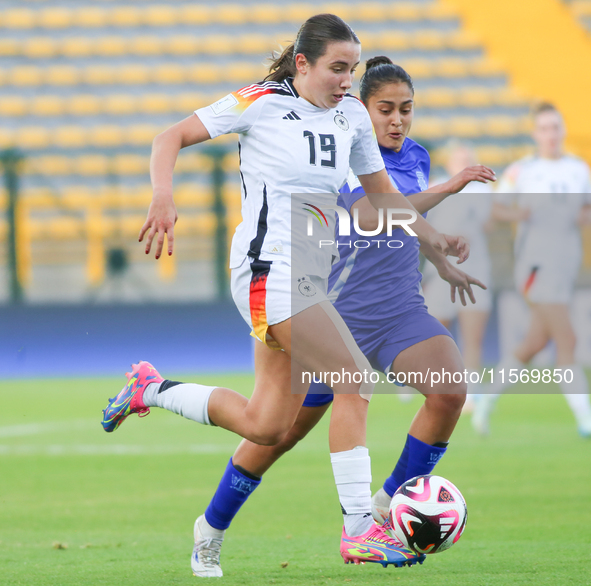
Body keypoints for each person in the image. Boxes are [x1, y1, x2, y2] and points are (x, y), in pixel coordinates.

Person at [100, 15, 470, 574]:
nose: (347, 80)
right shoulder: (261, 102)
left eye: (352, 69)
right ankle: (359, 529)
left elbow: (384, 196)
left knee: (265, 425)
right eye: (337, 68)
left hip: (308, 281)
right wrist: (161, 194)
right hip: (265, 271)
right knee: (352, 377)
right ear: (304, 64)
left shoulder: (350, 118)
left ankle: (150, 388)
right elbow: (168, 136)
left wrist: (434, 238)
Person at [185, 56, 496, 577]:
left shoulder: (415, 156)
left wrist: (441, 260)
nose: (397, 120)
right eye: (386, 109)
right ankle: (210, 529)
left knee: (449, 391)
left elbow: (406, 222)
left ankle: (382, 507)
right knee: (275, 436)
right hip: (332, 312)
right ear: (359, 109)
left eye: (406, 109)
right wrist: (450, 186)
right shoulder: (341, 152)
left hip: (399, 311)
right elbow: (372, 215)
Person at [472, 102, 591, 437]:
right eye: (544, 128)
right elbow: (497, 210)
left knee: (534, 343)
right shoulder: (521, 171)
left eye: (555, 127)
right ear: (535, 133)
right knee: (567, 338)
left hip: (566, 266)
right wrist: (519, 214)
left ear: (563, 130)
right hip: (536, 267)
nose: (551, 135)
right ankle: (586, 419)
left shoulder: (578, 169)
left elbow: (585, 212)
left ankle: (486, 400)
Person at [422, 140, 493, 413]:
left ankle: (471, 395)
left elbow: (484, 223)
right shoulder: (438, 187)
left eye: (468, 160)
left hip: (476, 268)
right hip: (440, 270)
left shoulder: (481, 191)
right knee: (437, 336)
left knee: (472, 337)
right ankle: (438, 388)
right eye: (458, 160)